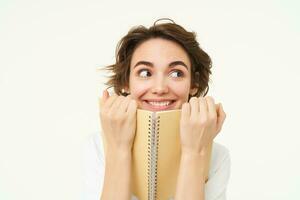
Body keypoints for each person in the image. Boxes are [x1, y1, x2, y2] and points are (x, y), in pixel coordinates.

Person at [82, 18, 231, 200]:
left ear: (194, 84)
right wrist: (118, 148)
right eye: (145, 73)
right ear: (126, 82)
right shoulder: (98, 147)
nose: (160, 88)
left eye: (176, 73)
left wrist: (194, 152)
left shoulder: (216, 156)